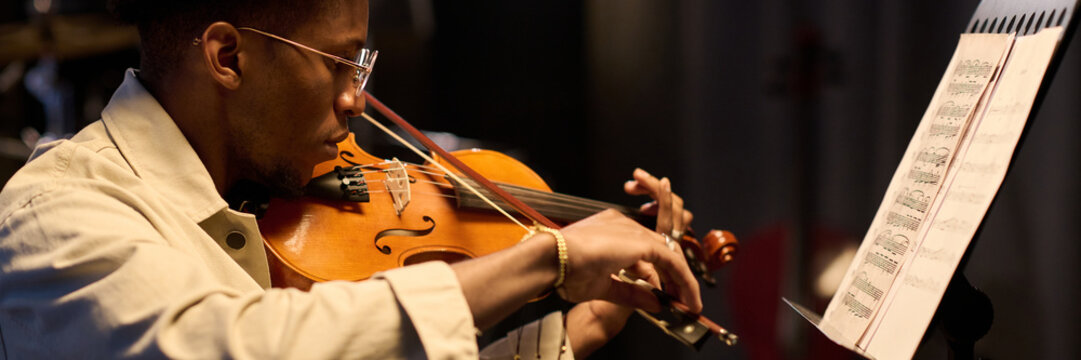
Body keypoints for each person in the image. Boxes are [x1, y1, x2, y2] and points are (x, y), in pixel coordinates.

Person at [0, 0, 701, 358]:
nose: (354, 100)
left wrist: (579, 328)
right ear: (226, 57)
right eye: (337, 63)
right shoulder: (55, 212)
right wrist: (547, 257)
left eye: (358, 68)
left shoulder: (255, 198)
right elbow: (237, 347)